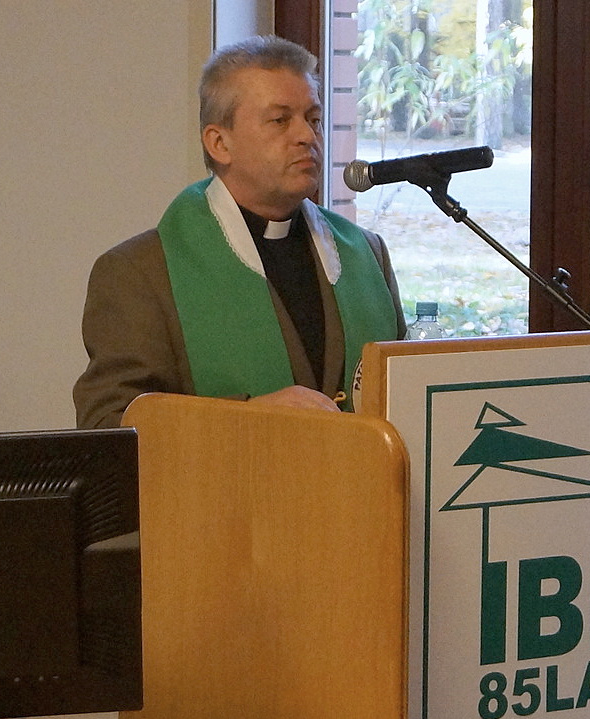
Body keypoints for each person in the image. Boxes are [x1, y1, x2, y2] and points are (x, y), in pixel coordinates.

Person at [73, 35, 406, 429]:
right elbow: (107, 425)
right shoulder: (140, 273)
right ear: (219, 143)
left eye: (313, 119)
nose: (307, 136)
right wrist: (246, 421)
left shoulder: (365, 254)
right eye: (280, 120)